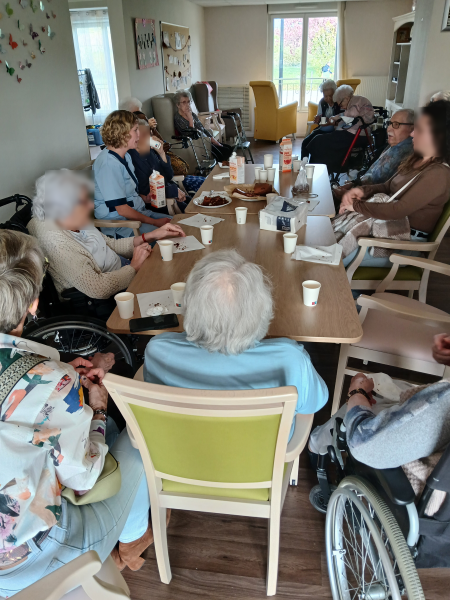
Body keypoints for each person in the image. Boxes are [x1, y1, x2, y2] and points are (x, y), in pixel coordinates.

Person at [0, 230, 154, 596]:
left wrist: (56, 372)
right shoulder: (52, 380)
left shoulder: (51, 376)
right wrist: (98, 409)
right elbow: (83, 477)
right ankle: (130, 545)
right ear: (33, 304)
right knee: (139, 436)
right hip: (28, 560)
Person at [143, 250, 328, 440]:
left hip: (179, 450)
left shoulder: (157, 350)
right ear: (262, 310)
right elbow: (314, 403)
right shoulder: (291, 360)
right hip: (261, 456)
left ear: (189, 304)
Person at [309, 368, 450, 517]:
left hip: (420, 484)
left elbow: (363, 442)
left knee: (368, 406)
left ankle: (316, 444)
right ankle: (317, 442)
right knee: (388, 387)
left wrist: (356, 392)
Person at [28, 169, 185, 301]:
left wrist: (152, 235)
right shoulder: (57, 243)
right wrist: (134, 267)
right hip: (112, 294)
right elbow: (98, 288)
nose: (91, 205)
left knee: (176, 270)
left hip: (123, 267)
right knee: (173, 286)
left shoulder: (76, 219)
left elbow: (111, 245)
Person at [337, 100, 450, 268]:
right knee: (330, 246)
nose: (412, 134)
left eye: (419, 130)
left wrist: (357, 206)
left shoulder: (438, 174)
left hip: (402, 243)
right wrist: (361, 190)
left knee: (333, 258)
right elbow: (387, 186)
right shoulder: (417, 159)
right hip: (384, 230)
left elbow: (398, 210)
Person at [94, 110, 172, 239]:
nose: (139, 134)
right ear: (123, 133)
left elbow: (126, 193)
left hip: (139, 213)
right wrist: (154, 222)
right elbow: (122, 209)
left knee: (179, 224)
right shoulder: (108, 164)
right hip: (122, 225)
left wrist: (143, 198)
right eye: (136, 130)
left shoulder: (126, 156)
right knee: (172, 234)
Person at [333, 109, 415, 201]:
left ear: (412, 129)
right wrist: (353, 183)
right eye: (390, 123)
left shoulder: (402, 151)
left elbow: (376, 182)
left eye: (396, 124)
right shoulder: (396, 145)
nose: (388, 129)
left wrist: (350, 190)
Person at [307, 85, 375, 173]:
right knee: (319, 140)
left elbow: (352, 113)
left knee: (319, 141)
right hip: (352, 133)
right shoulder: (354, 101)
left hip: (357, 135)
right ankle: (316, 169)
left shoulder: (356, 101)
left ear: (346, 98)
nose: (341, 107)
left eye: (340, 104)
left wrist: (336, 117)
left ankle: (316, 170)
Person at [128, 119, 188, 214]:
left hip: (168, 194)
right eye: (144, 135)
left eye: (149, 134)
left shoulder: (150, 153)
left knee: (194, 203)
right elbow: (145, 191)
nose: (149, 138)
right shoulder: (132, 158)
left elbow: (168, 176)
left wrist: (162, 153)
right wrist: (172, 191)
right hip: (156, 204)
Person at [173, 90, 233, 163]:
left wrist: (214, 140)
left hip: (206, 140)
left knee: (229, 148)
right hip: (198, 144)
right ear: (178, 105)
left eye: (188, 102)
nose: (187, 104)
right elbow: (190, 135)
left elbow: (202, 129)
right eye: (184, 102)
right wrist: (191, 120)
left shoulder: (192, 114)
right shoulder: (178, 118)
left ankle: (224, 166)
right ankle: (221, 167)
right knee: (225, 151)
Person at [301, 79, 340, 159]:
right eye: (325, 96)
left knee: (316, 142)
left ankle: (314, 164)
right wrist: (317, 118)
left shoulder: (339, 103)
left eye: (330, 96)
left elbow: (341, 120)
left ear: (335, 93)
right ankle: (303, 163)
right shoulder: (322, 102)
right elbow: (320, 116)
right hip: (322, 129)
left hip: (335, 132)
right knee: (305, 142)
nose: (328, 98)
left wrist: (330, 121)